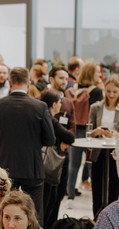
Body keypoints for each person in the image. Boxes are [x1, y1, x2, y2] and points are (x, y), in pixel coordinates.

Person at [0, 67, 56, 224]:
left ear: (10, 83)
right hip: (32, 167)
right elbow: (50, 139)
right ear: (28, 84)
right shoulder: (40, 107)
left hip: (4, 169)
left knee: (5, 214)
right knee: (34, 215)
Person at [87, 75, 119, 216]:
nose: (111, 95)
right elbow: (89, 131)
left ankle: (111, 220)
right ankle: (96, 220)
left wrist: (117, 134)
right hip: (98, 152)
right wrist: (97, 131)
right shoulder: (96, 107)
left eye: (114, 92)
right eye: (109, 91)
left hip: (117, 153)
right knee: (97, 189)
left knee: (114, 190)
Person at [66, 62, 105, 195]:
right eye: (97, 72)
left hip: (74, 129)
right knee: (91, 163)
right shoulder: (97, 91)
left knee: (74, 165)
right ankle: (95, 193)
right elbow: (97, 114)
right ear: (91, 74)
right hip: (90, 131)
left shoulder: (73, 88)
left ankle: (70, 195)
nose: (99, 75)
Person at [39, 89, 75, 222]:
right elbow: (69, 136)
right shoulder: (49, 118)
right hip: (48, 164)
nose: (61, 105)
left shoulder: (42, 115)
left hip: (41, 163)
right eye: (59, 102)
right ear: (54, 104)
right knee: (50, 199)